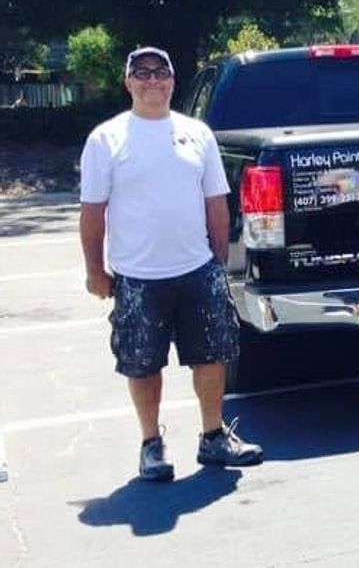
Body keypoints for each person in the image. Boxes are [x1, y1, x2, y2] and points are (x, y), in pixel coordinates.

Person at [79, 46, 263, 482]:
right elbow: (92, 211)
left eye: (160, 72)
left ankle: (213, 436)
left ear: (172, 81)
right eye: (141, 73)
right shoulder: (106, 139)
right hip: (138, 276)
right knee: (142, 364)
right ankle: (151, 445)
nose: (152, 80)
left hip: (198, 269)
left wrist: (218, 260)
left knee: (213, 355)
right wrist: (94, 270)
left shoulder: (197, 133)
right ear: (128, 82)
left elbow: (216, 202)